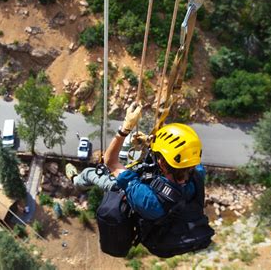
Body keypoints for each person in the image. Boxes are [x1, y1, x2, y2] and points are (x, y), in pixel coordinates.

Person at [66, 103, 212, 257]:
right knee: (127, 159)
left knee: (90, 173)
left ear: (161, 163)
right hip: (170, 207)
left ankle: (76, 179)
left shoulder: (148, 201)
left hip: (145, 205)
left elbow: (110, 162)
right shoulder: (197, 173)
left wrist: (125, 129)